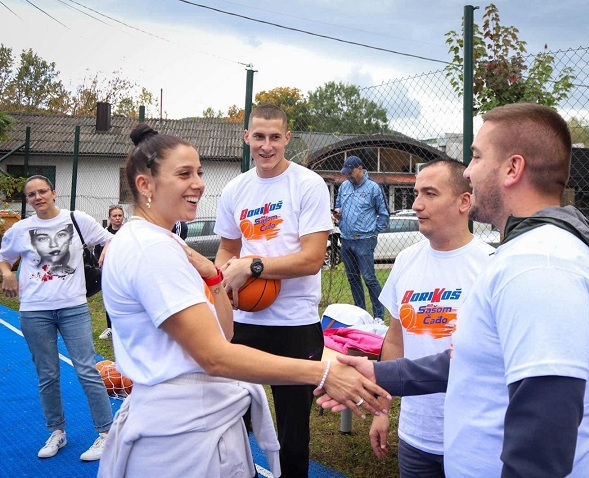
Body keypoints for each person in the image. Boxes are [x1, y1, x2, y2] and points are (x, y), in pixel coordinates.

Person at [320, 103, 589, 478]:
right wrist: (380, 375)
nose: (469, 171)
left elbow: (544, 437)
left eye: (476, 156)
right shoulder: (525, 255)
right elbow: (473, 359)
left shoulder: (540, 265)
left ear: (513, 168)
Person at [98, 124, 389, 477]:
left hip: (200, 422)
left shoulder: (167, 244)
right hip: (180, 435)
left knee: (292, 434)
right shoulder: (151, 250)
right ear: (146, 185)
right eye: (184, 174)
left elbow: (224, 331)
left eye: (199, 172)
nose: (199, 184)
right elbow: (215, 356)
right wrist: (324, 371)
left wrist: (214, 278)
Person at [214, 103, 339, 477]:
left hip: (294, 323)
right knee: (230, 418)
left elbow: (313, 258)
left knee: (293, 434)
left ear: (287, 139)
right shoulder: (235, 189)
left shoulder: (307, 184)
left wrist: (253, 267)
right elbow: (227, 249)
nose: (266, 146)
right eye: (258, 137)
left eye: (274, 137)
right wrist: (225, 275)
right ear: (246, 139)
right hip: (244, 319)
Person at [369, 158, 495, 477]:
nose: (416, 204)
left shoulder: (491, 266)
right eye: (416, 193)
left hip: (474, 439)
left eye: (430, 194)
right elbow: (396, 339)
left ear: (464, 202)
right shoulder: (406, 260)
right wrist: (382, 408)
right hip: (416, 437)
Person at [0, 175, 115, 461]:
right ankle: (57, 431)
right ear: (27, 200)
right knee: (47, 375)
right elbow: (4, 258)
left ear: (54, 192)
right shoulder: (21, 229)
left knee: (87, 369)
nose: (38, 197)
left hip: (73, 307)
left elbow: (110, 239)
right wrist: (7, 275)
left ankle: (107, 433)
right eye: (31, 195)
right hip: (34, 310)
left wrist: (108, 251)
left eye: (42, 191)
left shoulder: (77, 219)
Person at [333, 155, 390, 320]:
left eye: (350, 172)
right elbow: (339, 205)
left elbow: (383, 213)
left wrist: (373, 232)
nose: (348, 175)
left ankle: (378, 315)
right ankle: (361, 314)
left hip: (365, 240)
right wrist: (337, 214)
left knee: (369, 278)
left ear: (360, 168)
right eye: (346, 172)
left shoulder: (373, 188)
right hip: (346, 239)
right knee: (352, 278)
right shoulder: (344, 186)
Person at [97, 204, 125, 339]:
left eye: (120, 215)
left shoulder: (127, 233)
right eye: (115, 216)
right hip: (108, 273)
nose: (118, 218)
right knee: (109, 300)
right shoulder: (103, 234)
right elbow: (97, 253)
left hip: (124, 272)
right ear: (109, 218)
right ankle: (110, 328)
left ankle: (123, 328)